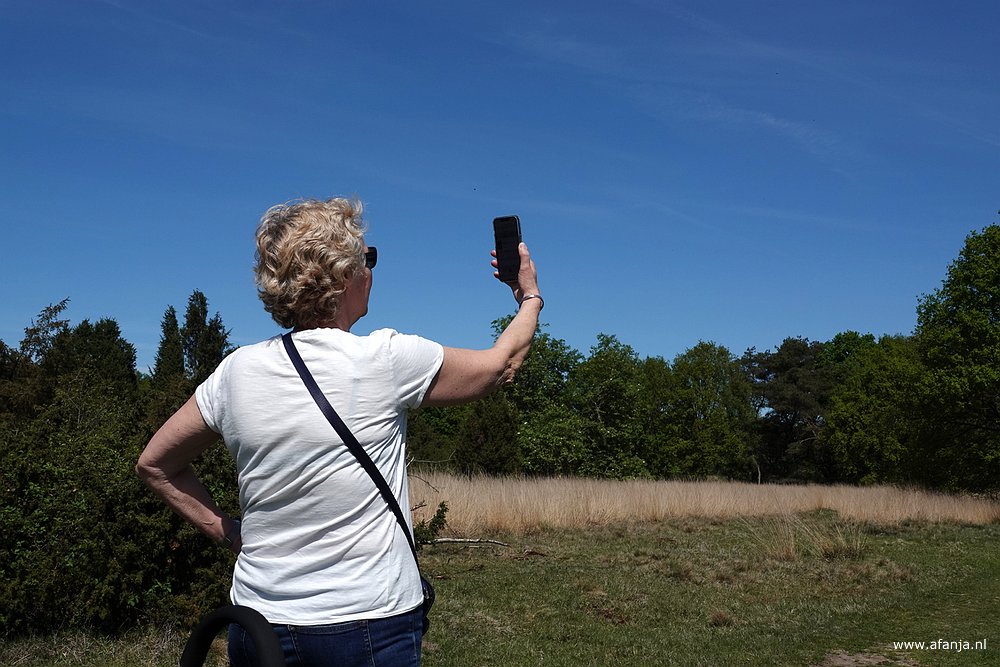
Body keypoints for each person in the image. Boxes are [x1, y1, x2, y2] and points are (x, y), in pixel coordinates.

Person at [135, 197, 542, 667]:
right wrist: (529, 296)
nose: (371, 271)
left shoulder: (235, 373)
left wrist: (231, 535)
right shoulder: (385, 359)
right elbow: (500, 365)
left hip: (257, 623)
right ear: (346, 274)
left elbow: (155, 465)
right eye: (368, 259)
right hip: (366, 623)